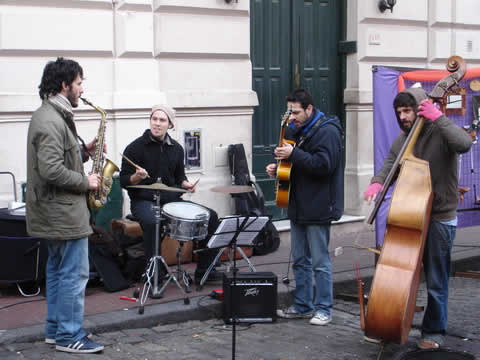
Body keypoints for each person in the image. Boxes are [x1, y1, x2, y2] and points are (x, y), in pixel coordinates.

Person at [364, 87, 472, 349]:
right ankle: (392, 322)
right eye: (399, 112)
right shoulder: (403, 140)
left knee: (436, 280)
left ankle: (433, 332)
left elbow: (464, 143)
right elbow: (390, 163)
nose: (403, 117)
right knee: (402, 275)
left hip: (438, 217)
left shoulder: (440, 132)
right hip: (411, 216)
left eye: (408, 110)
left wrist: (438, 117)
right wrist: (377, 183)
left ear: (421, 108)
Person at [25, 57, 104, 353]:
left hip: (56, 212)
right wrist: (88, 182)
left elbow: (60, 159)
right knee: (74, 275)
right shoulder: (50, 119)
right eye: (79, 83)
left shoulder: (53, 115)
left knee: (58, 272)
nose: (82, 89)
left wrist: (87, 151)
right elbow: (51, 170)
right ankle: (70, 335)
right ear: (64, 85)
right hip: (63, 214)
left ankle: (56, 330)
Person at [266, 88, 344, 326]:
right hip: (298, 202)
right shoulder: (294, 129)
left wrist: (294, 153)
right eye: (290, 112)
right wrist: (277, 167)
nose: (292, 118)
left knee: (320, 262)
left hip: (319, 204)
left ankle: (324, 309)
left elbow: (324, 166)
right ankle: (302, 305)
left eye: (296, 112)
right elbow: (292, 162)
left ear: (310, 109)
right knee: (299, 259)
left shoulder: (328, 131)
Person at [119, 104, 221, 286]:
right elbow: (123, 181)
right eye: (154, 119)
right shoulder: (134, 148)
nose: (157, 123)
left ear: (170, 125)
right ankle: (154, 276)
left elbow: (179, 177)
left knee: (211, 216)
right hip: (143, 201)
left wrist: (186, 184)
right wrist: (136, 177)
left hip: (170, 201)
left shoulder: (176, 149)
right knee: (153, 222)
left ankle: (205, 271)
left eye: (162, 120)